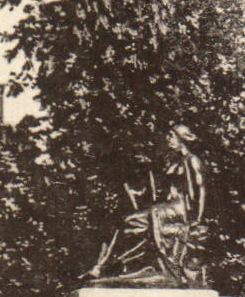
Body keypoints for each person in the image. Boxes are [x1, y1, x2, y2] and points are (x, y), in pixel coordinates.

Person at [86, 122, 207, 286]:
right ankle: (111, 266)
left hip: (178, 209)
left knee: (135, 221)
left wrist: (196, 220)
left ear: (182, 138)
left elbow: (199, 190)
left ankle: (104, 266)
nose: (168, 139)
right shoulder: (172, 162)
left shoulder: (192, 160)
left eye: (172, 136)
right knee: (130, 223)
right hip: (166, 208)